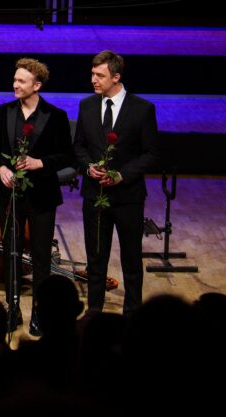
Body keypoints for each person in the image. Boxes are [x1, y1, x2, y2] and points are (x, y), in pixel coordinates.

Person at [0, 58, 74, 335]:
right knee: (10, 253)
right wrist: (1, 167)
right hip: (10, 195)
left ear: (36, 85)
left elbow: (67, 156)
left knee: (40, 258)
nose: (15, 84)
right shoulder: (5, 111)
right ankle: (13, 309)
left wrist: (40, 163)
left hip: (42, 197)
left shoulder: (55, 116)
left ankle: (40, 310)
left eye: (21, 81)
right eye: (14, 79)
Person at [74, 50, 158, 316]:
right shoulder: (86, 106)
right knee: (95, 258)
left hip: (128, 197)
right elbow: (78, 147)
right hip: (94, 196)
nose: (93, 80)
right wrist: (89, 167)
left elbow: (151, 153)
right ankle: (94, 311)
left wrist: (122, 174)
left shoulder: (142, 109)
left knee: (131, 260)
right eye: (92, 74)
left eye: (100, 75)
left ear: (116, 77)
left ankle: (132, 314)